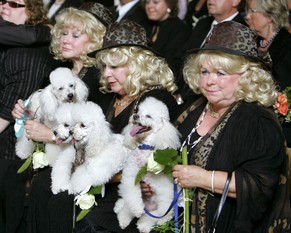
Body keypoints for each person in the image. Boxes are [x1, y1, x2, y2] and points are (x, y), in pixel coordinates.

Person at [171, 21, 291, 232]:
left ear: (246, 77)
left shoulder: (256, 120)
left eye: (221, 73)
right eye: (205, 72)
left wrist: (201, 178)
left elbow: (259, 186)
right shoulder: (196, 106)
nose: (209, 81)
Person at [11, 3, 114, 233]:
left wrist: (50, 135)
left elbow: (94, 135)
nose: (66, 39)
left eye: (76, 35)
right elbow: (44, 113)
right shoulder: (61, 70)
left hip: (78, 170)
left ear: (95, 40)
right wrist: (25, 112)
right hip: (51, 163)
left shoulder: (100, 79)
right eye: (64, 33)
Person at [73, 20, 179, 233]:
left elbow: (150, 163)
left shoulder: (155, 100)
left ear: (138, 66)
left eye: (114, 67)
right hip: (101, 187)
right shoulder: (110, 98)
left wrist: (97, 175)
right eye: (104, 66)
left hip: (133, 198)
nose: (106, 74)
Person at [0, 0, 56, 232]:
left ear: (31, 9)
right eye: (2, 1)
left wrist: (45, 30)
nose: (4, 5)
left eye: (13, 3)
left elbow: (11, 105)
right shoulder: (21, 41)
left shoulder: (27, 53)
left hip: (10, 148)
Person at [245, 0, 291, 164]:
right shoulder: (251, 42)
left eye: (252, 12)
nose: (247, 17)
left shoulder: (286, 46)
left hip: (278, 126)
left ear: (270, 16)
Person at [142, 0, 191, 83]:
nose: (150, 6)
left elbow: (173, 66)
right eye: (147, 2)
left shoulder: (180, 29)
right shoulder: (146, 26)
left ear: (169, 5)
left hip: (164, 83)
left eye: (155, 2)